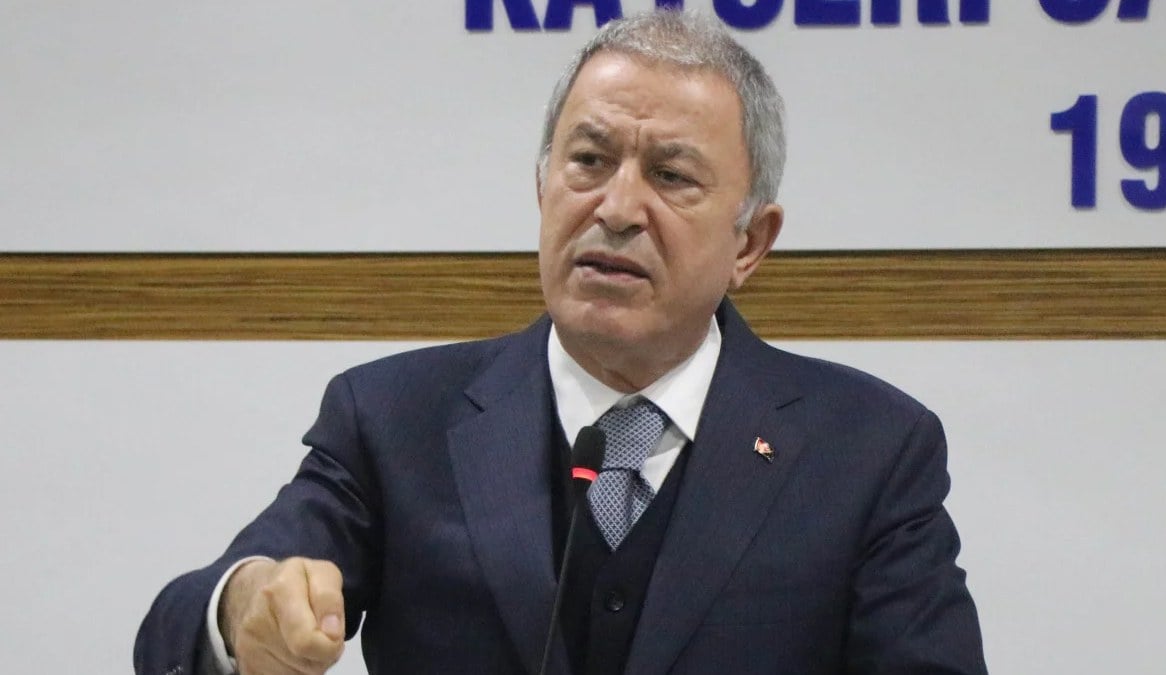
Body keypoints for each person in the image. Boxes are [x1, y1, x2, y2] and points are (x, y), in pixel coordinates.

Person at [135, 10, 986, 675]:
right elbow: (181, 624)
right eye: (589, 160)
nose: (616, 208)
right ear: (542, 186)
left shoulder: (867, 450)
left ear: (750, 243)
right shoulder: (393, 419)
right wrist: (243, 607)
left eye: (671, 176)